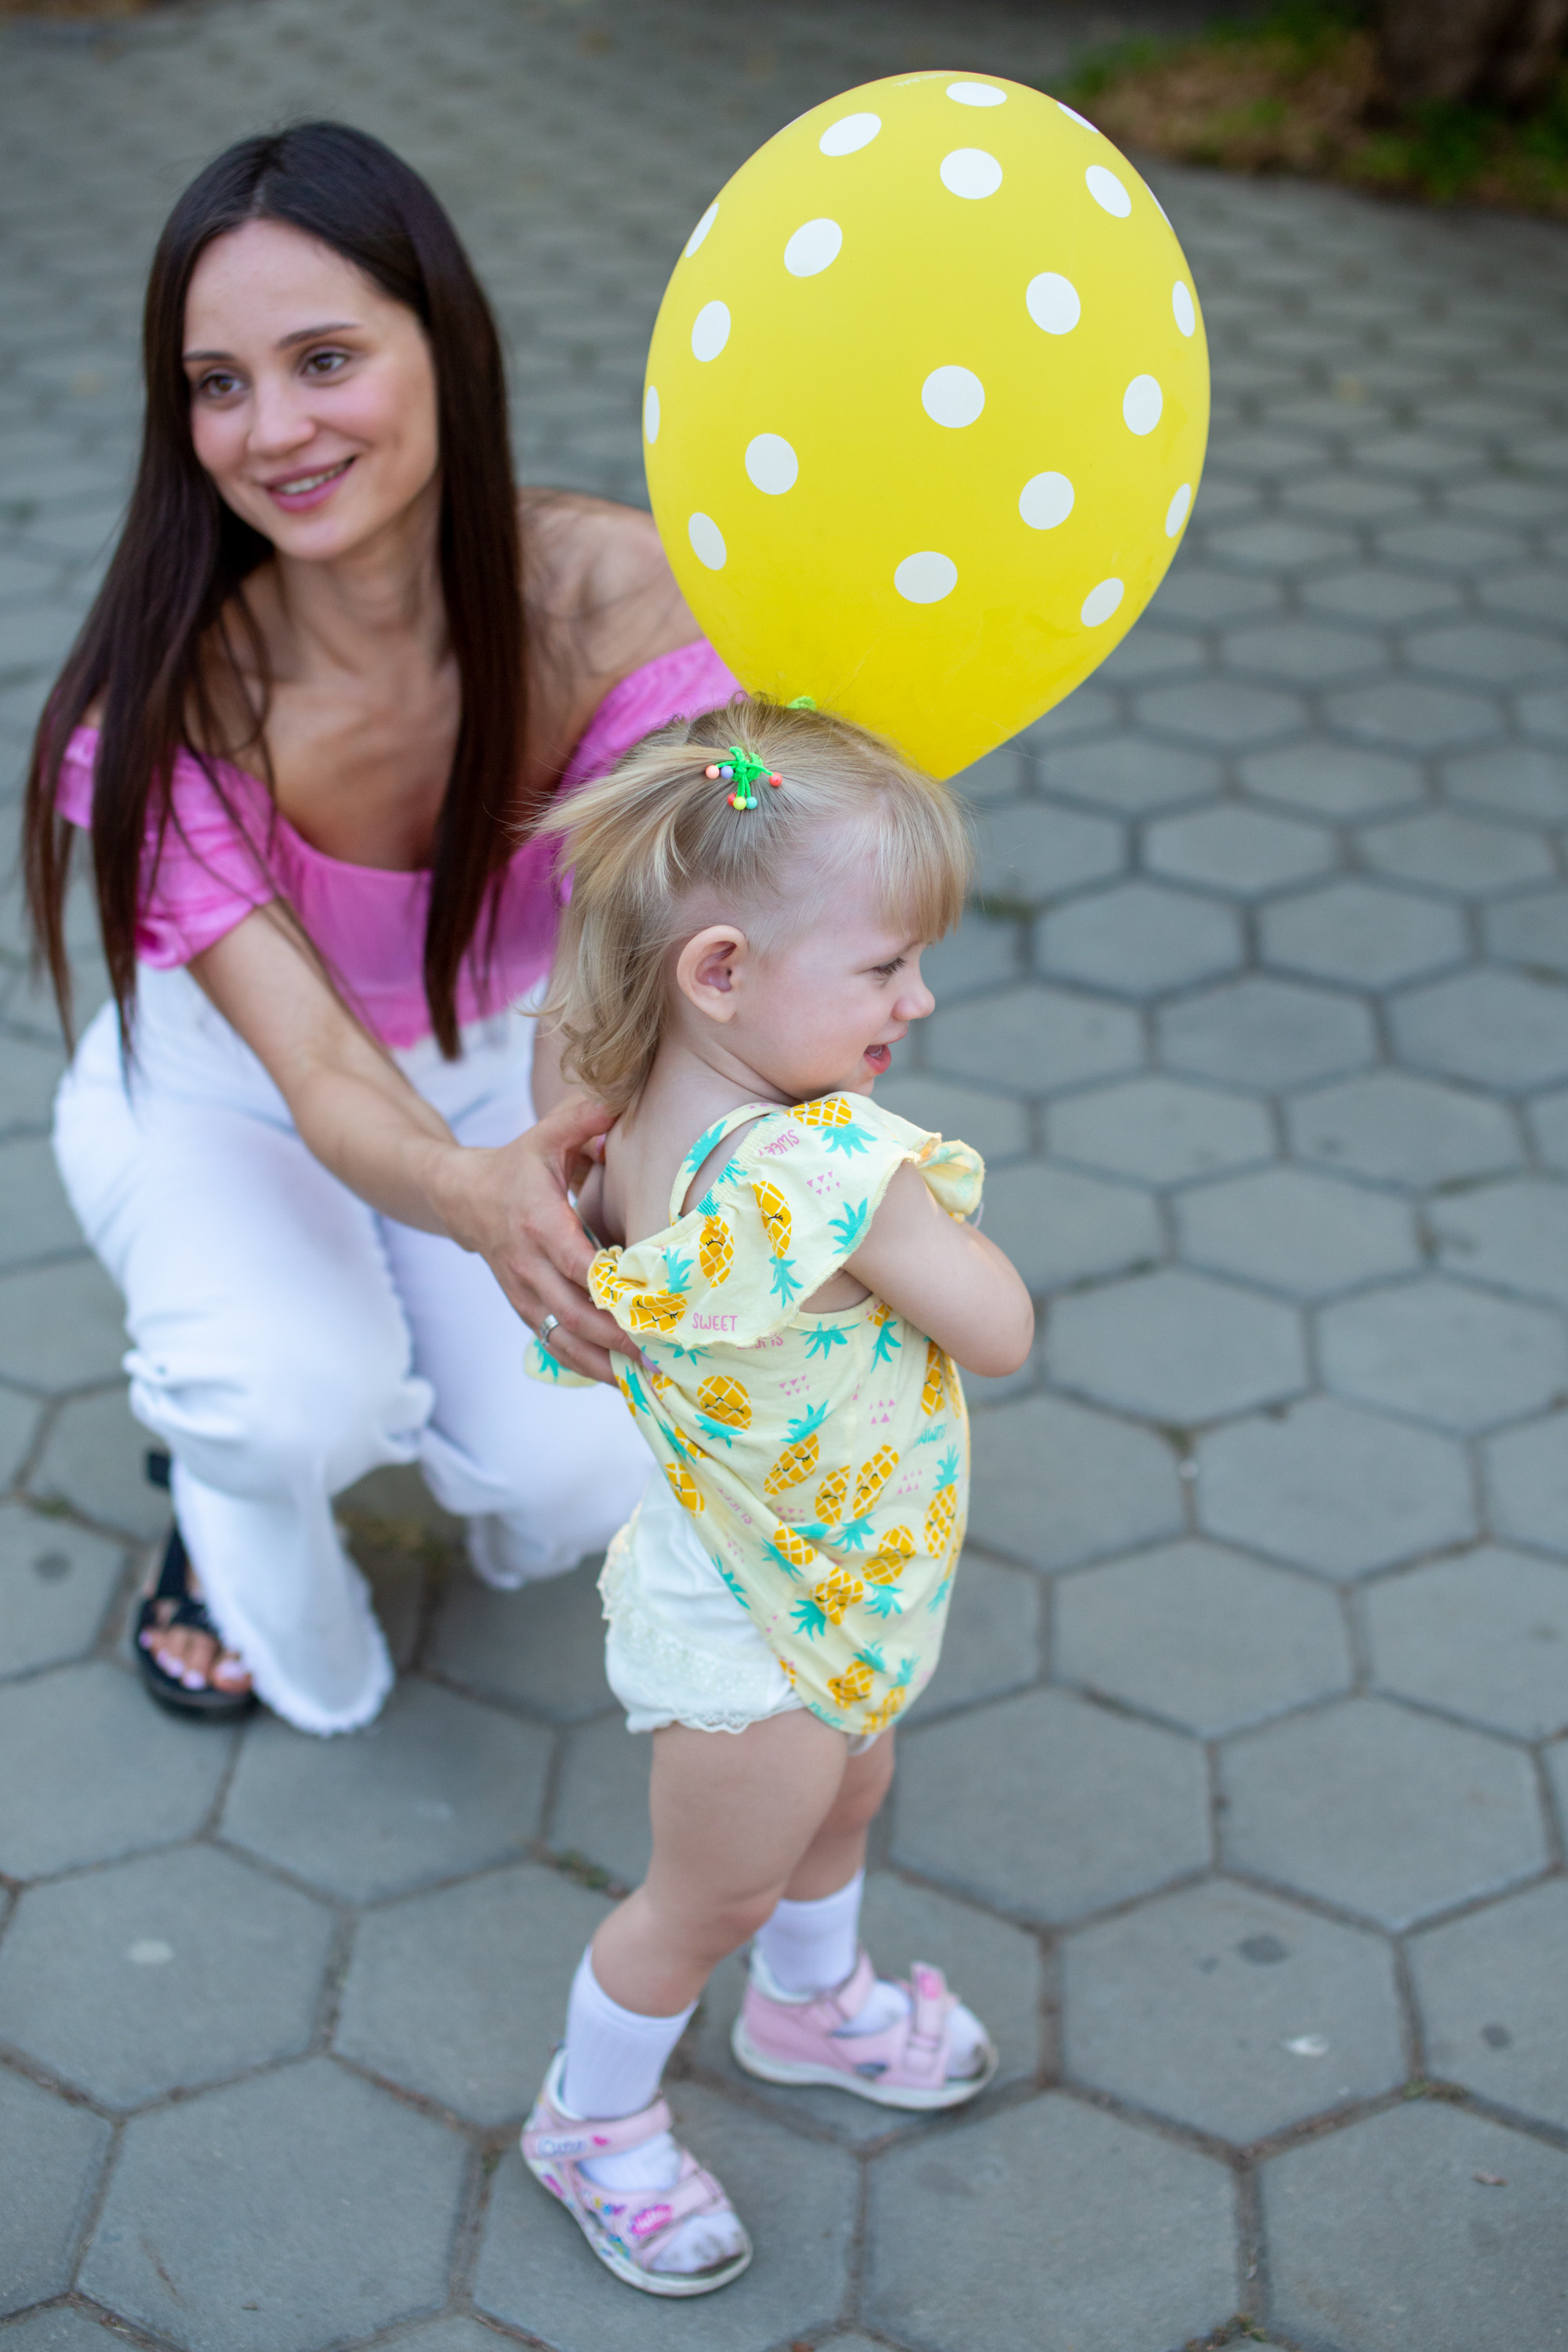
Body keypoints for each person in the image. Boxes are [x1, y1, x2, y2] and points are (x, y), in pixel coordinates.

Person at [21, 121, 739, 1733]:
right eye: (217, 383)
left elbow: (650, 933)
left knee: (578, 1472)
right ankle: (217, 1488)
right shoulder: (181, 701)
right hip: (233, 1087)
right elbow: (328, 1083)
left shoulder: (623, 594)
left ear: (445, 340)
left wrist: (620, 1149)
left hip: (511, 1057)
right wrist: (483, 1203)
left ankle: (389, 1383)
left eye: (324, 358)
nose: (271, 429)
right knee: (284, 1403)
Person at [515, 697, 1035, 2294]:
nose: (917, 997)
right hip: (756, 1623)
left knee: (848, 1794)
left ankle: (812, 2009)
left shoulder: (609, 1120)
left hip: (817, 1574)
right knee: (705, 1896)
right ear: (722, 972)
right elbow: (1002, 1329)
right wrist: (894, 1198)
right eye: (883, 968)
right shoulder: (828, 1173)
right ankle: (590, 2121)